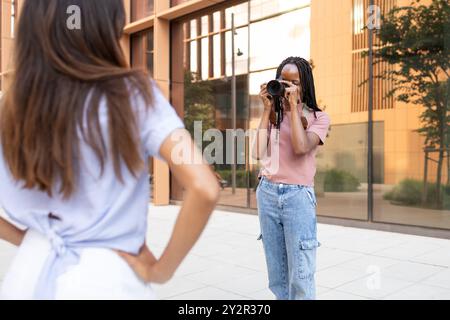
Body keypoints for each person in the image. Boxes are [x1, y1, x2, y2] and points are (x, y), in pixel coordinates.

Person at [0, 0, 219, 300]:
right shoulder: (133, 96)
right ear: (104, 29)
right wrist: (161, 271)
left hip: (28, 276)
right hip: (108, 279)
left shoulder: (12, 109)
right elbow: (204, 187)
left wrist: (31, 240)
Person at [252, 56, 331, 300]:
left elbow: (299, 146)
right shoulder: (274, 116)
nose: (286, 87)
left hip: (298, 197)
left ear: (304, 85)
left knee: (301, 275)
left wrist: (295, 108)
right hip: (267, 193)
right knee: (277, 275)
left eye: (293, 82)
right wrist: (266, 111)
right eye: (282, 81)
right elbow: (257, 152)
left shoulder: (319, 118)